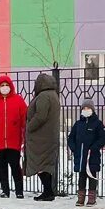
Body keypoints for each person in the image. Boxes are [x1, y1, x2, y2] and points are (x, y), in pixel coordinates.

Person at [24, 73, 61, 202]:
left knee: (41, 165)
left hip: (41, 137)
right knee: (45, 164)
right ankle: (48, 191)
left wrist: (29, 127)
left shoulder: (44, 96)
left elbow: (40, 116)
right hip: (48, 136)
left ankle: (48, 191)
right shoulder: (53, 95)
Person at [67, 99, 105, 207]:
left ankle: (91, 198)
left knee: (92, 176)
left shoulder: (98, 124)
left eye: (88, 108)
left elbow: (102, 138)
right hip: (80, 156)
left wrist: (94, 148)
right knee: (82, 176)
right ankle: (80, 198)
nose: (86, 110)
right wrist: (74, 148)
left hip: (92, 156)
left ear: (92, 110)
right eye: (84, 108)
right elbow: (71, 138)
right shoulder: (78, 124)